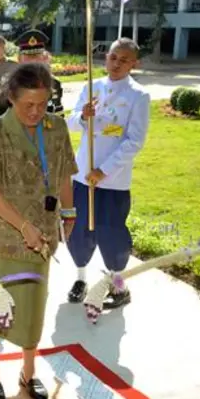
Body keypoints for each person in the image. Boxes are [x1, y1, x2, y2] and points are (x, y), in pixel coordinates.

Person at [0, 62, 78, 399]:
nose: (36, 112)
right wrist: (22, 226)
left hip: (38, 237)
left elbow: (64, 175)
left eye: (42, 104)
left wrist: (68, 214)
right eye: (28, 105)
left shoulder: (55, 128)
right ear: (11, 98)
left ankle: (28, 371)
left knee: (31, 305)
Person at [66, 38, 150, 308]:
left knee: (111, 233)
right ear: (106, 58)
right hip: (82, 175)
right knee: (79, 230)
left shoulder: (138, 96)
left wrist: (105, 170)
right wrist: (83, 116)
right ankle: (81, 278)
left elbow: (134, 140)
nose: (117, 63)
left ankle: (118, 285)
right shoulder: (92, 87)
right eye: (114, 57)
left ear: (134, 64)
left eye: (124, 60)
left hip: (112, 180)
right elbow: (71, 122)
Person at [0, 30, 64, 118]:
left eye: (36, 56)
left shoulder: (54, 84)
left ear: (44, 58)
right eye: (28, 57)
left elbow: (58, 117)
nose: (33, 61)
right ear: (19, 59)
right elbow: (1, 122)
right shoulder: (9, 85)